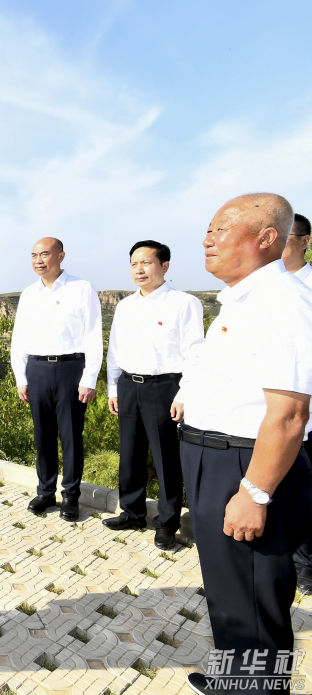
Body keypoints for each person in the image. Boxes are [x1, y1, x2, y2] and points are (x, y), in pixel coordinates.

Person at [173, 194, 312, 695]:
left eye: (221, 228)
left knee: (253, 600)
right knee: (232, 595)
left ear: (267, 237)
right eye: (208, 229)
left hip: (246, 465)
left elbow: (289, 415)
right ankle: (235, 681)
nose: (207, 239)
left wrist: (255, 492)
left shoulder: (282, 303)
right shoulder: (242, 300)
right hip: (217, 460)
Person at [102, 241, 203, 550]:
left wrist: (186, 393)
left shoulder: (184, 303)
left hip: (165, 388)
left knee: (166, 458)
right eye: (134, 264)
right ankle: (132, 513)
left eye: (146, 262)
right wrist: (113, 387)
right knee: (130, 454)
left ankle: (167, 523)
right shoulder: (125, 306)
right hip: (129, 385)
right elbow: (115, 349)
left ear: (164, 266)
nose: (139, 269)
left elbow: (195, 353)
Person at [11, 237, 102, 522]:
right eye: (34, 255)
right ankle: (46, 492)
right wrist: (21, 376)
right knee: (43, 435)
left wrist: (89, 377)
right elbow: (19, 339)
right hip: (37, 369)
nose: (39, 260)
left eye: (45, 254)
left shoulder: (81, 288)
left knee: (71, 436)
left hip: (70, 368)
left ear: (61, 256)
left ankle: (71, 497)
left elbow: (93, 334)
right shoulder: (28, 294)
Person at [281, 212, 312, 596]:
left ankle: (305, 564)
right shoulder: (263, 289)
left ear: (305, 241)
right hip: (269, 410)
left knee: (305, 488)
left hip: (304, 409)